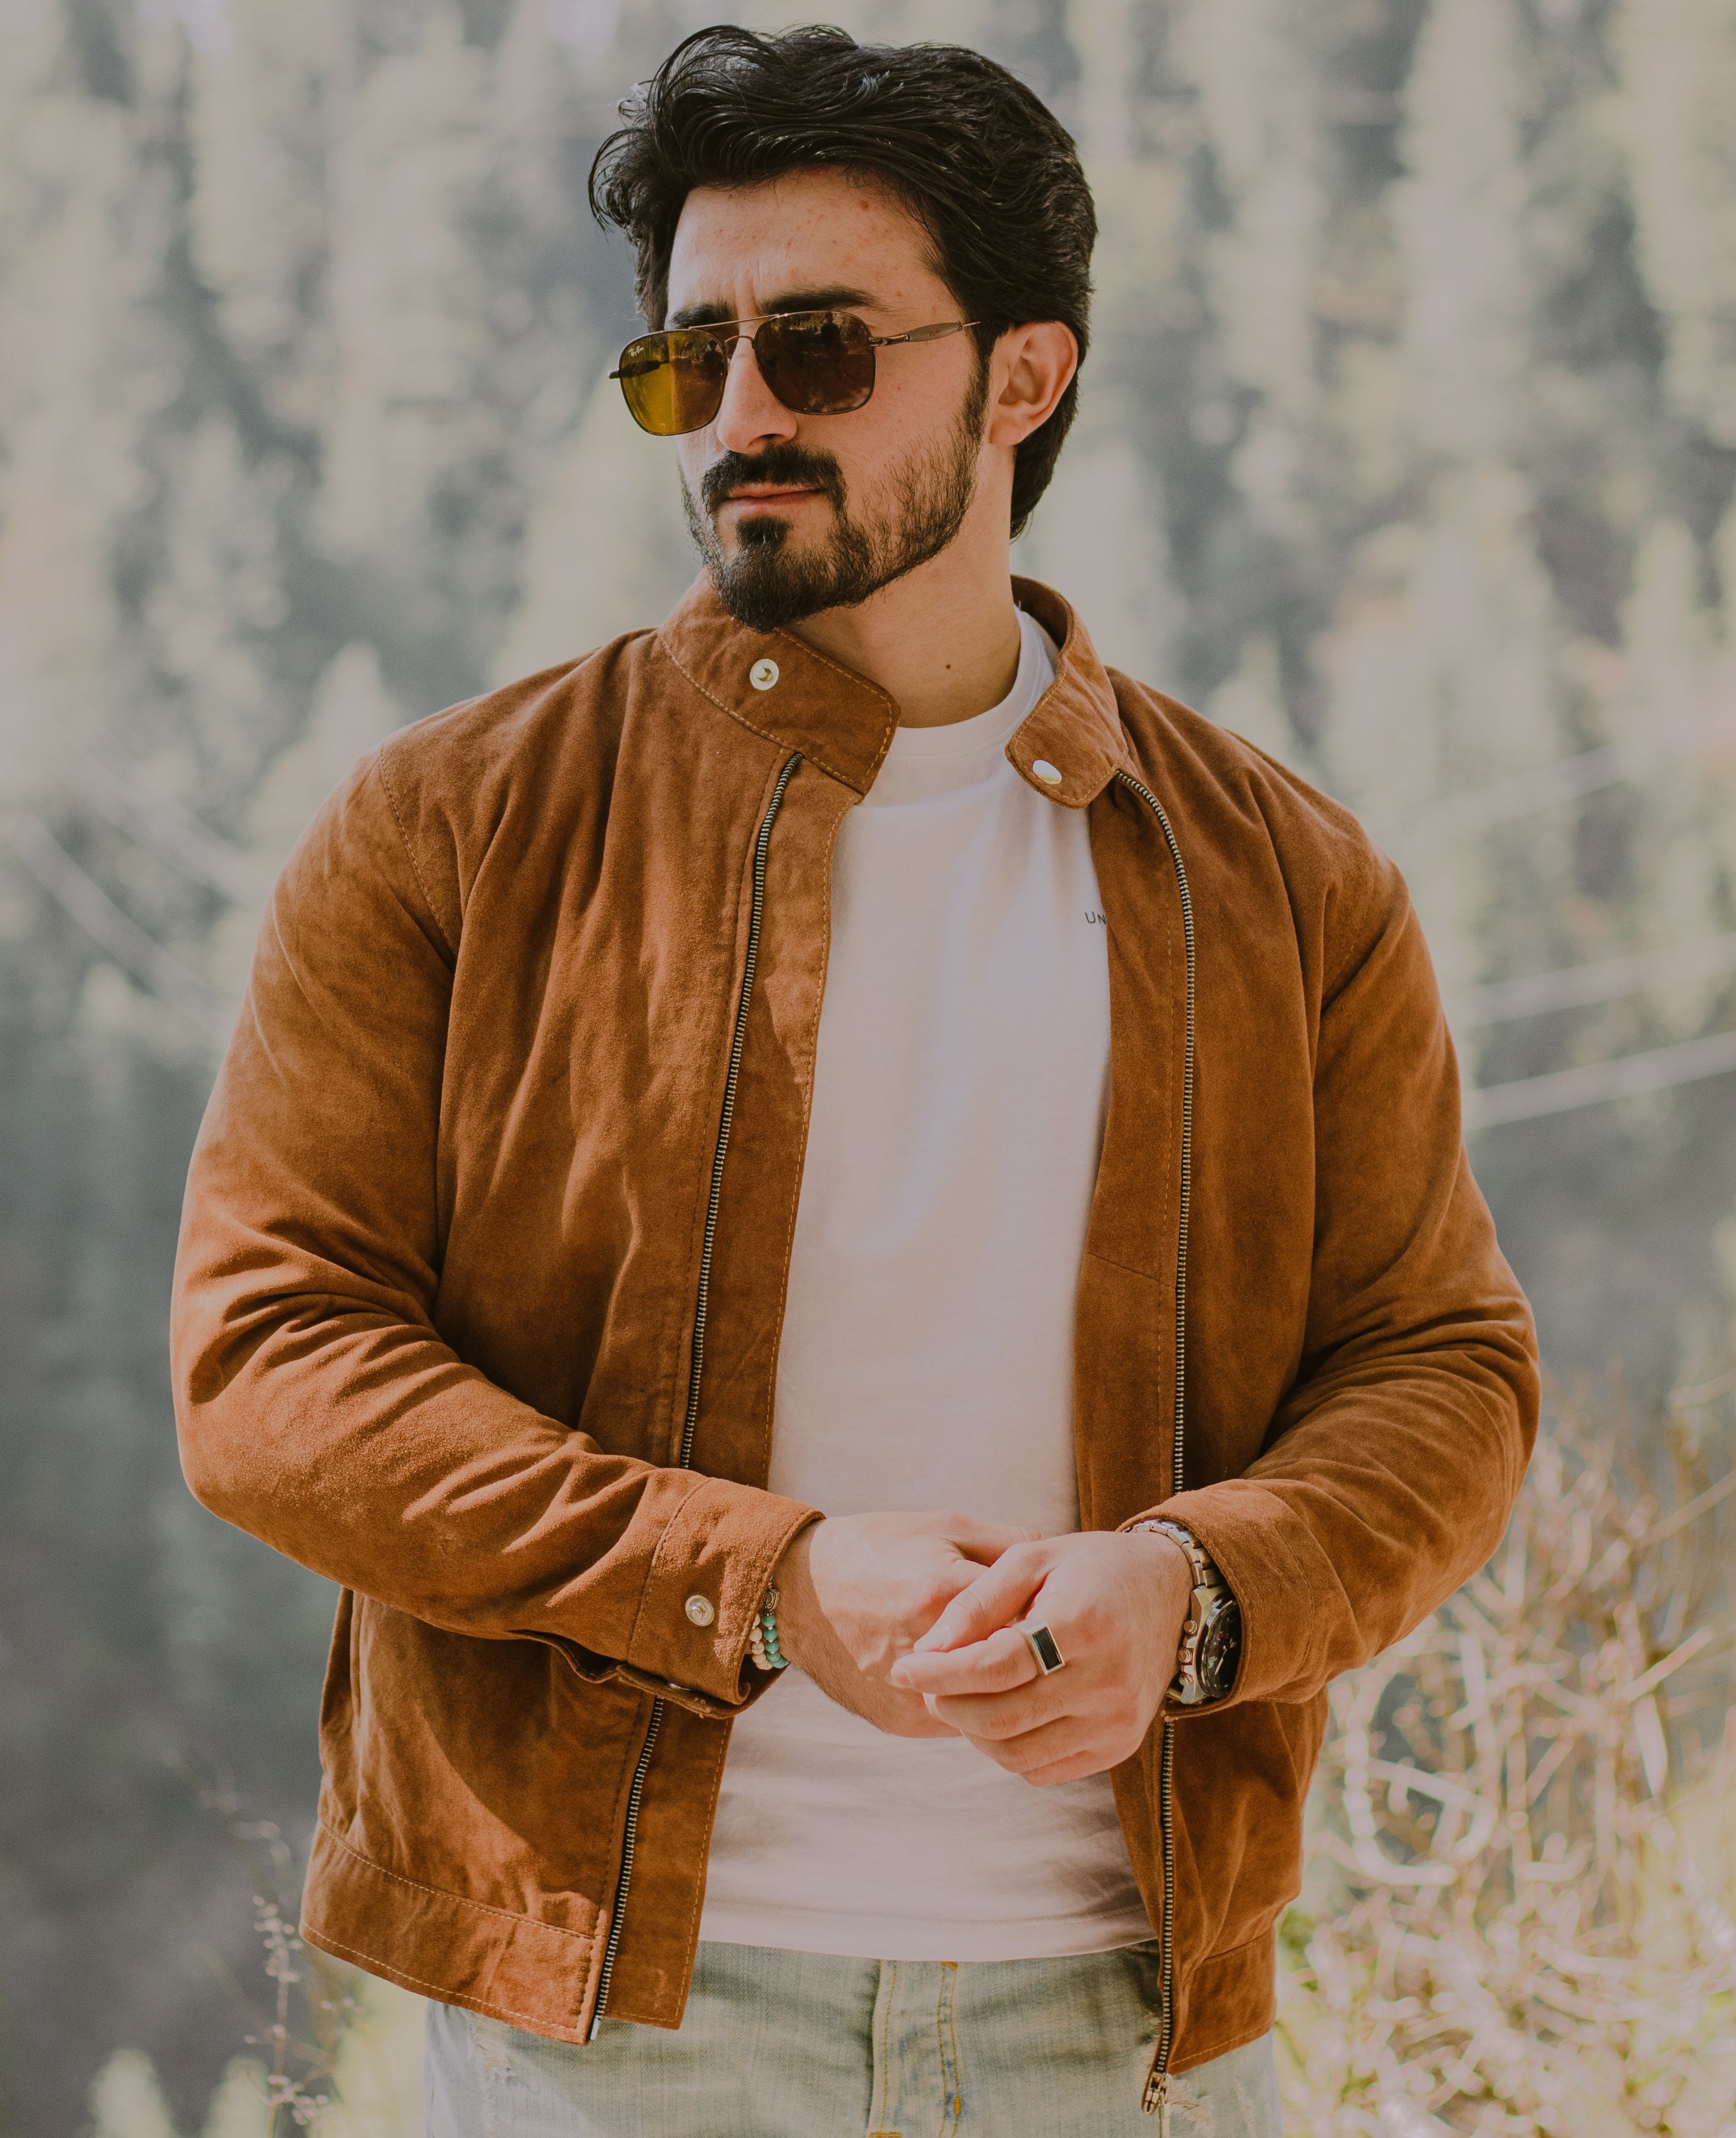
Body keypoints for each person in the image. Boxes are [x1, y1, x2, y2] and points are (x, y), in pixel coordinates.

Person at [170, 24, 1538, 2136]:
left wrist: (1198, 1584)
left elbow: (1444, 1370)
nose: (736, 418)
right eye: (684, 360)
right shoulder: (448, 827)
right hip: (606, 2025)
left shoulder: (1286, 876)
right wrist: (771, 1577)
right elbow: (268, 1372)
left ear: (1024, 377)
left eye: (814, 349)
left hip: (1134, 2020)